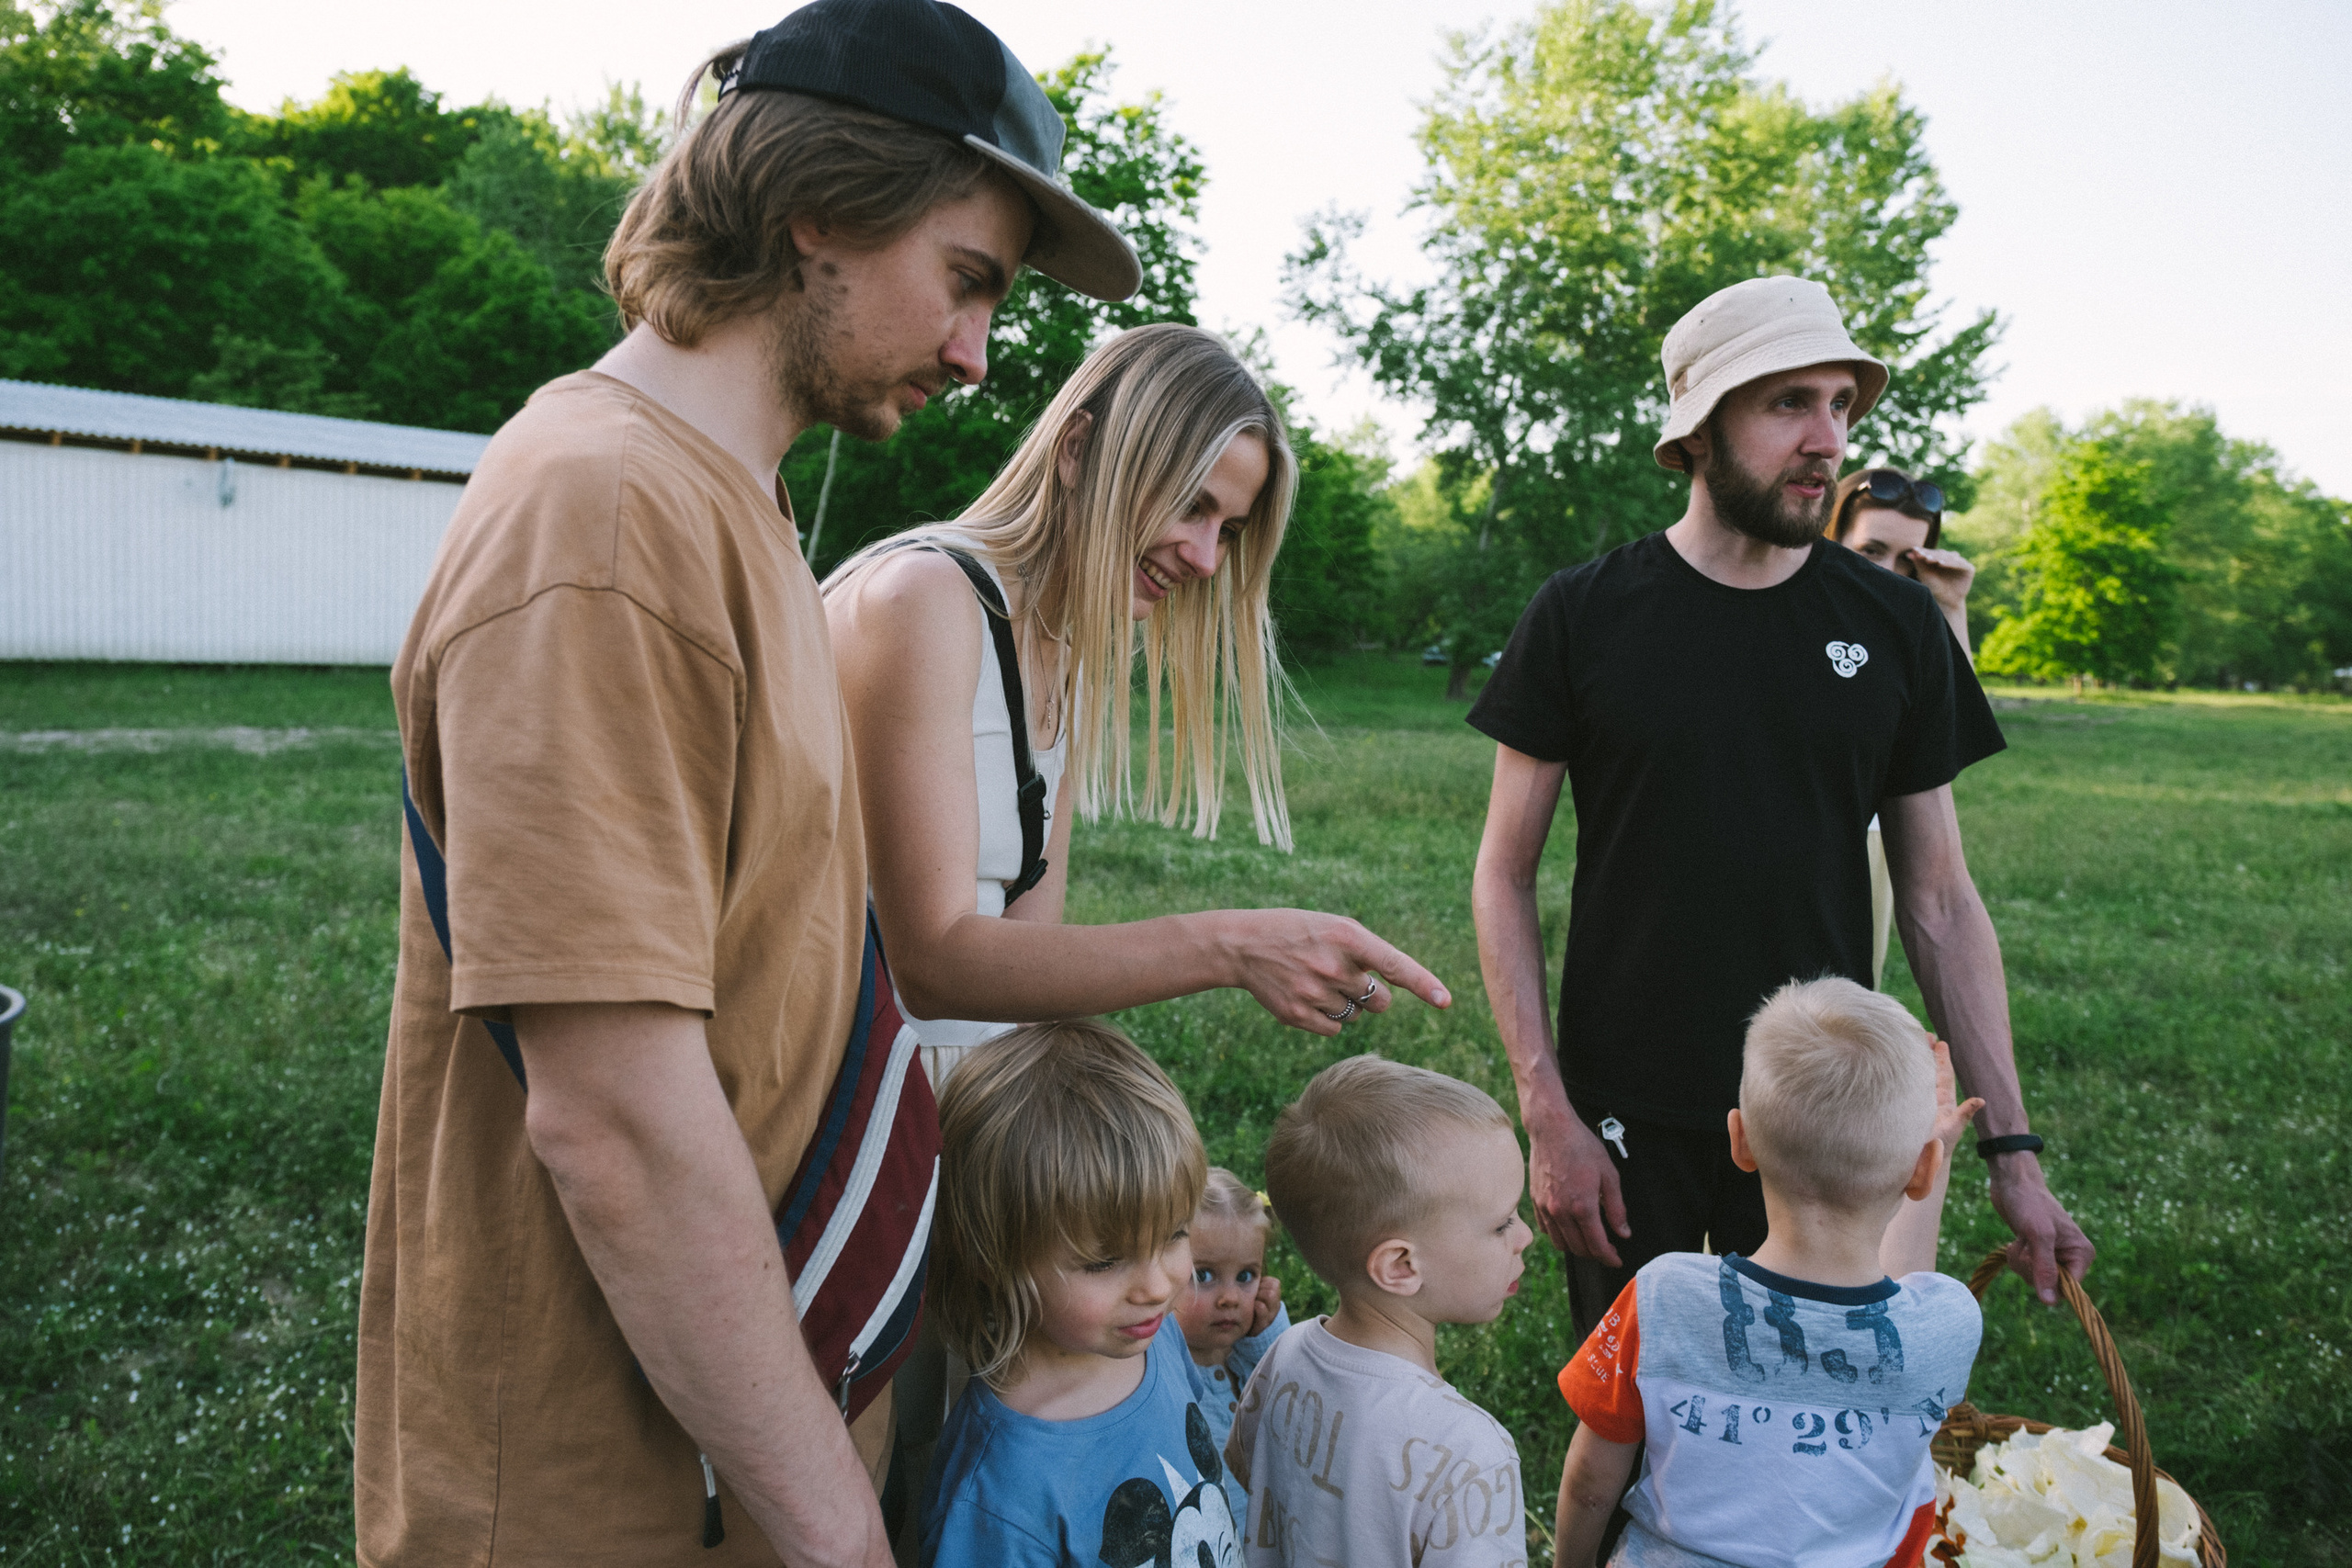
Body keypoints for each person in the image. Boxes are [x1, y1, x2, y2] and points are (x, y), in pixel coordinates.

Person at [354, 1, 1143, 1562]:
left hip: (738, 1428)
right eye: (965, 281)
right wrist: (838, 1527)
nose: (979, 355)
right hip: (609, 1482)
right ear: (820, 210)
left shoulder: (736, 507)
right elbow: (618, 1117)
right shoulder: (602, 516)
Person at [1468, 276, 2091, 1356]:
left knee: (1801, 1430)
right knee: (1631, 1429)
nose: (1826, 439)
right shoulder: (1583, 613)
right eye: (1788, 404)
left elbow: (1939, 902)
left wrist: (2017, 1158)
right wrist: (1548, 1113)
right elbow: (1503, 874)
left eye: (1842, 406)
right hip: (1626, 1109)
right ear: (1697, 432)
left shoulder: (1893, 624)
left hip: (1819, 1116)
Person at [822, 321, 1451, 1079]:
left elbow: (1022, 976)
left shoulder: (1067, 650)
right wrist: (1232, 945)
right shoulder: (923, 597)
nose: (1207, 557)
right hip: (844, 1108)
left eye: (1230, 528)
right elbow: (933, 961)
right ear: (1079, 450)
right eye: (1193, 505)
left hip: (962, 1104)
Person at [1553, 977, 1987, 1568]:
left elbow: (1590, 1485)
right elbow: (1903, 1301)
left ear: (1740, 1141)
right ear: (1923, 1172)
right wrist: (1936, 1152)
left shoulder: (1663, 1298)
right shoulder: (1949, 1323)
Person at [919, 1019, 1242, 1568]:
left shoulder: (1150, 1338)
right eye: (1104, 1261)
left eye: (1175, 1235)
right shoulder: (1000, 1493)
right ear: (989, 1258)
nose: (1159, 1286)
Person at [1228, 1055, 1532, 1566]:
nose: (1525, 1237)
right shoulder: (1472, 1454)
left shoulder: (1287, 1353)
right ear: (1400, 1266)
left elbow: (1242, 1475)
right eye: (1501, 1225)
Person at [1826, 466, 1976, 986]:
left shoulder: (1903, 629)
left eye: (1905, 562)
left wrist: (1951, 606)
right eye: (1870, 551)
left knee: (1845, 1000)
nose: (1888, 574)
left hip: (1871, 840)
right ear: (1831, 536)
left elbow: (1945, 734)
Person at [1173, 1169, 1290, 1532]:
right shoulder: (1163, 1364)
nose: (1229, 1298)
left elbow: (1289, 1387)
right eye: (1203, 1275)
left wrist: (1266, 1330)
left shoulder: (1249, 1351)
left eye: (1246, 1276)